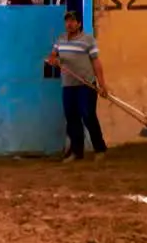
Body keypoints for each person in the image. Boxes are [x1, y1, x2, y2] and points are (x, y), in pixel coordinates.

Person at [46, 11, 108, 163]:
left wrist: (102, 84)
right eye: (67, 21)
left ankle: (100, 149)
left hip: (86, 84)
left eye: (73, 21)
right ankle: (76, 152)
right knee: (72, 118)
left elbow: (96, 63)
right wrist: (53, 60)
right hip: (68, 85)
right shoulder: (60, 39)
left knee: (88, 116)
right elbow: (52, 56)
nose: (69, 24)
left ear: (79, 24)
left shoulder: (88, 40)